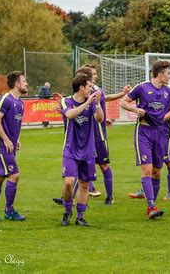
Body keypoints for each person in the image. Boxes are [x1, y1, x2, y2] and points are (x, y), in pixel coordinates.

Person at [120, 60, 170, 219]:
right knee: (147, 170)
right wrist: (135, 109)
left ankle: (152, 205)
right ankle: (151, 206)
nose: (169, 76)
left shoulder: (169, 92)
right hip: (143, 132)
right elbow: (123, 102)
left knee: (156, 171)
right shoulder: (142, 87)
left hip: (160, 133)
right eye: (168, 73)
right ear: (160, 74)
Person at [0, 71, 28, 221]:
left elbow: (15, 125)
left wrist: (17, 139)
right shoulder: (6, 99)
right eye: (24, 81)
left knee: (0, 177)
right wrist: (6, 139)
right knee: (14, 175)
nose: (26, 84)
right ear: (17, 84)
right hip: (0, 146)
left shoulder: (20, 103)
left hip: (9, 146)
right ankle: (9, 211)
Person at [84, 64, 132, 205]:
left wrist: (122, 94)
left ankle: (110, 197)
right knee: (84, 163)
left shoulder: (97, 90)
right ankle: (87, 190)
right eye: (93, 73)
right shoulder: (83, 91)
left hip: (99, 134)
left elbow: (107, 98)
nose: (96, 76)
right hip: (85, 135)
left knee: (103, 165)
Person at [60, 73, 104, 226]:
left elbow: (99, 119)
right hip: (71, 149)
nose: (92, 89)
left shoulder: (92, 102)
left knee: (84, 184)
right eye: (90, 86)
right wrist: (87, 104)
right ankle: (67, 211)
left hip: (88, 150)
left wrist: (97, 104)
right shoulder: (66, 101)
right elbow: (71, 115)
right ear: (81, 87)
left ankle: (80, 216)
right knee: (68, 182)